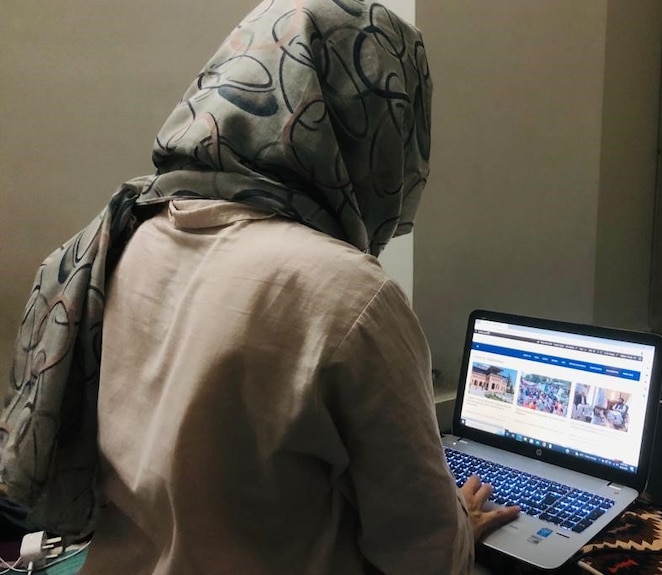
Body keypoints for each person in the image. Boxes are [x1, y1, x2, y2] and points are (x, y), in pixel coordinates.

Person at [0, 1, 519, 573]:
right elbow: (425, 556)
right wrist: (458, 531)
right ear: (387, 124)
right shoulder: (348, 295)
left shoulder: (122, 239)